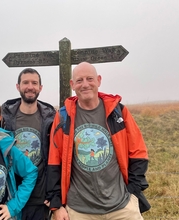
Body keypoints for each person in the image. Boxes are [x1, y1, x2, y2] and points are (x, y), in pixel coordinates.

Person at [45, 62, 150, 220]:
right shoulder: (63, 117)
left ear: (99, 80)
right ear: (72, 85)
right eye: (79, 80)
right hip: (79, 211)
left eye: (90, 79)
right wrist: (56, 205)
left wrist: (133, 192)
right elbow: (54, 161)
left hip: (122, 207)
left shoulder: (118, 112)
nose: (85, 84)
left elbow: (138, 152)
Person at [0, 68, 56, 220]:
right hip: (11, 194)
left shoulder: (51, 119)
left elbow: (57, 157)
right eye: (25, 82)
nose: (30, 86)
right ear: (18, 86)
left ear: (40, 88)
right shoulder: (4, 118)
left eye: (34, 83)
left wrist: (54, 194)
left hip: (40, 197)